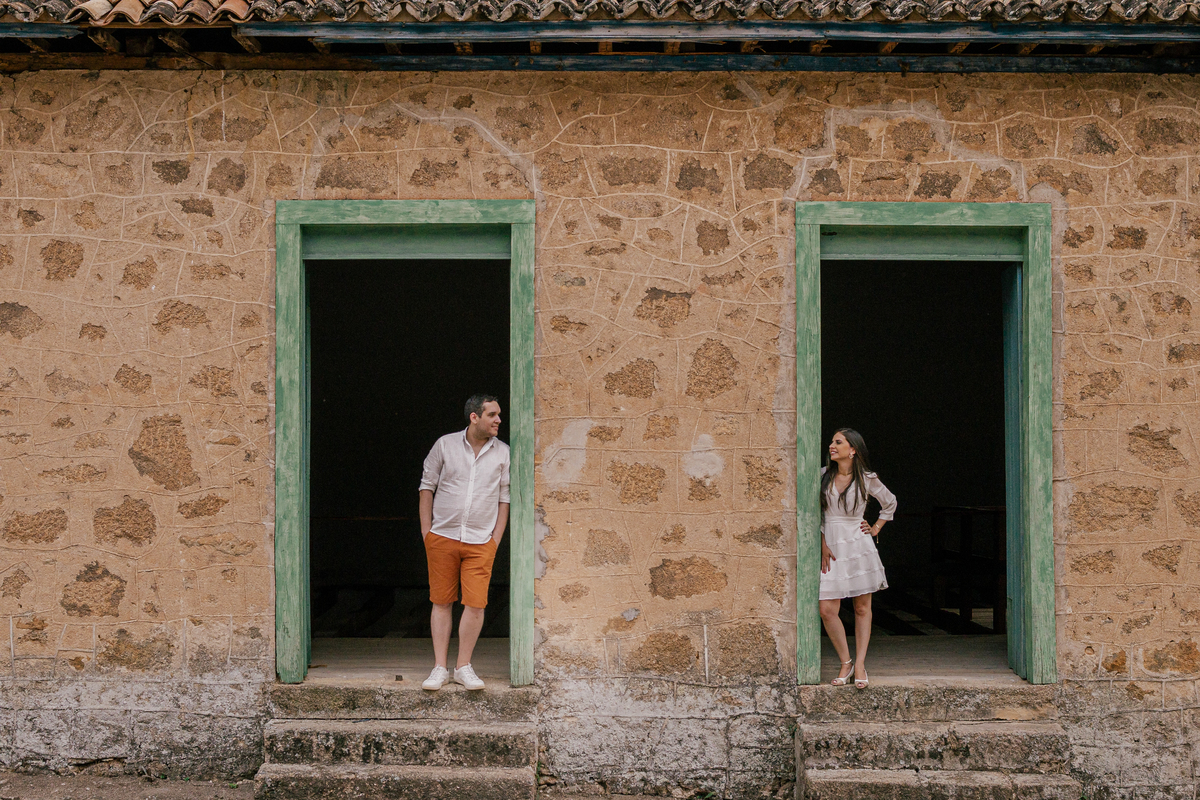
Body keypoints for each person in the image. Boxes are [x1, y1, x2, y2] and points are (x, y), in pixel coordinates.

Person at [418, 394, 510, 691]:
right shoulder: (445, 445)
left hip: (481, 541)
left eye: (498, 415)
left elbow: (504, 499)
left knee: (475, 604)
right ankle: (439, 668)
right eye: (492, 415)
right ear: (474, 417)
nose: (498, 420)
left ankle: (463, 667)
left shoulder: (503, 453)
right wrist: (426, 533)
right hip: (442, 537)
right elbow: (426, 488)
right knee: (441, 601)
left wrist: (495, 540)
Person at [818, 428, 896, 690]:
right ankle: (846, 661)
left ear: (853, 450)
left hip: (857, 545)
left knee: (862, 608)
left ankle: (860, 663)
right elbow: (813, 512)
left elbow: (890, 503)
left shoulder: (866, 478)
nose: (832, 445)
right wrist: (822, 543)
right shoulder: (822, 476)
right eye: (832, 441)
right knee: (827, 609)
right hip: (830, 545)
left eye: (838, 442)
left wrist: (875, 528)